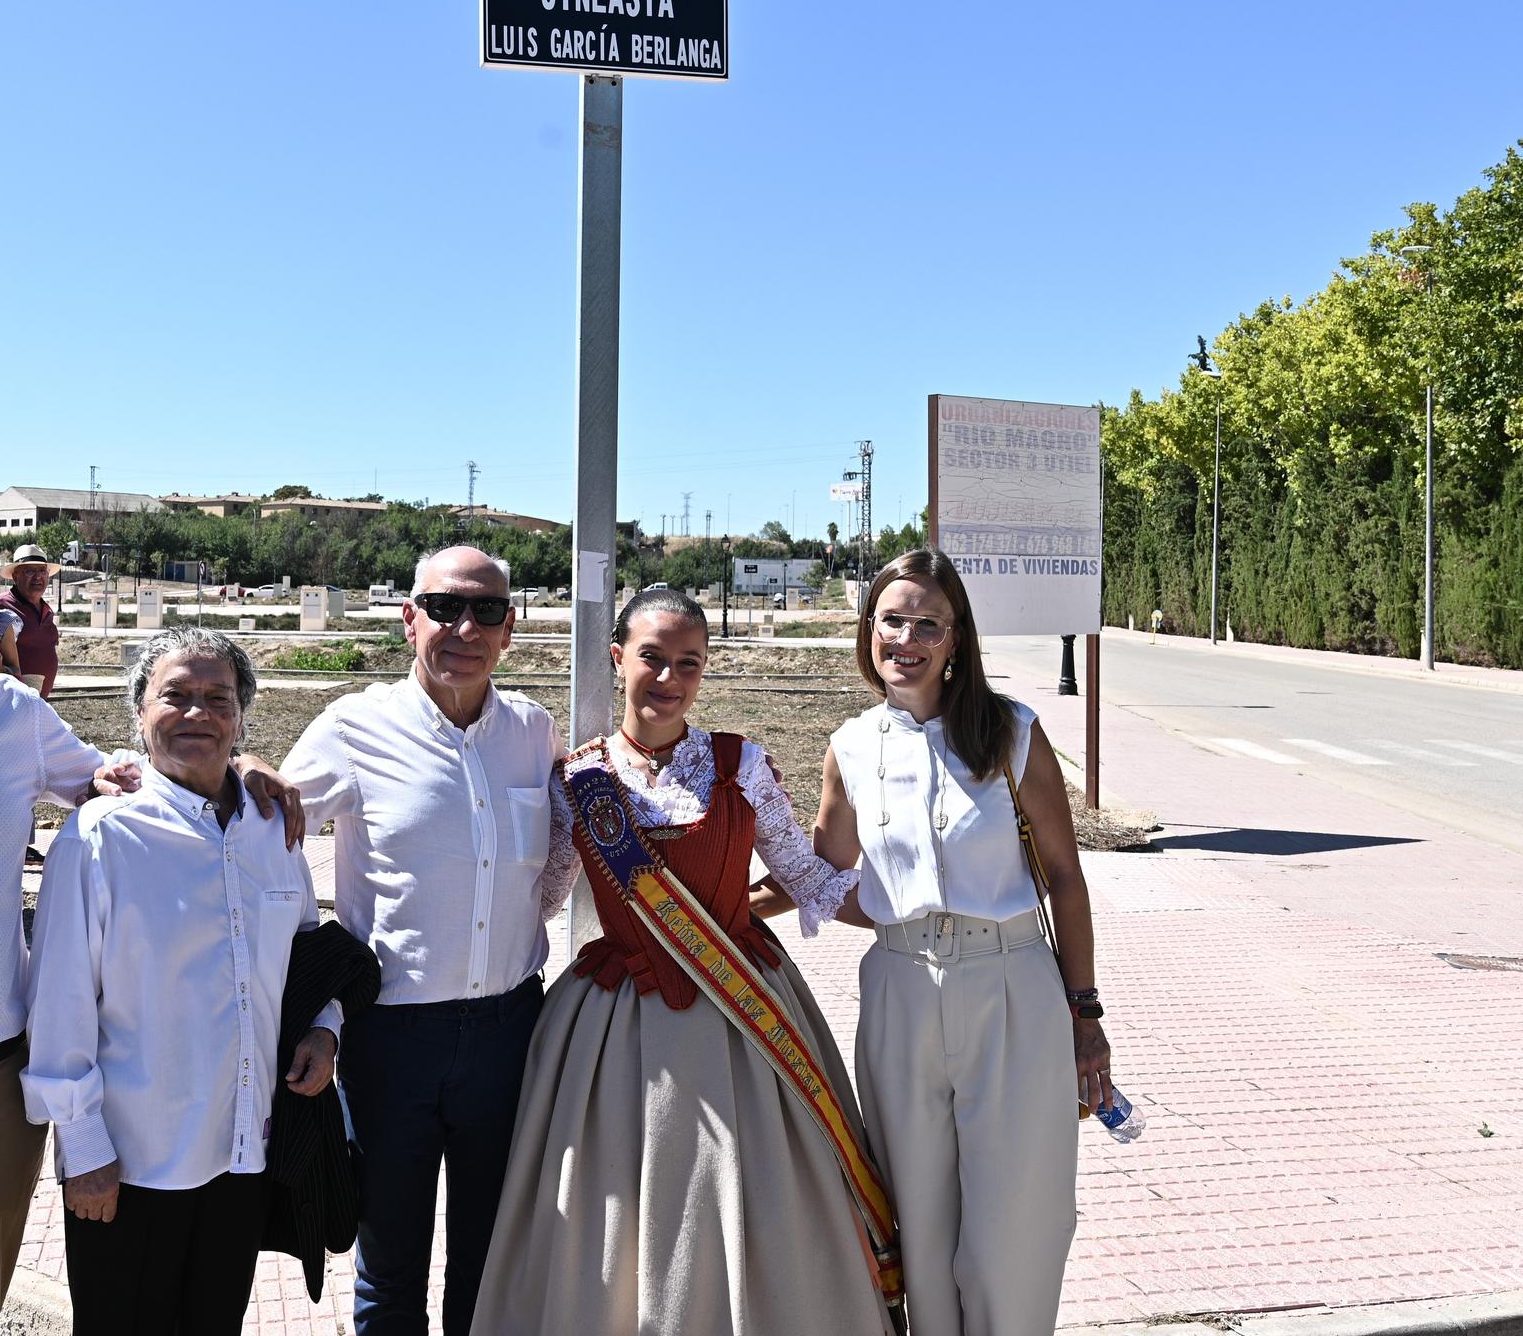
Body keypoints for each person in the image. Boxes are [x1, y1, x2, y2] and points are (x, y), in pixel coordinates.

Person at [472, 588, 900, 1336]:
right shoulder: (581, 779)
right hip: (614, 1029)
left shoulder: (741, 765)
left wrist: (929, 912)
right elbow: (539, 895)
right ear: (618, 659)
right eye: (652, 659)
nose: (668, 678)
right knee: (613, 1211)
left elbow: (809, 877)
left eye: (688, 664)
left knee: (746, 1194)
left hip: (743, 1019)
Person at [783, 548, 1109, 1336]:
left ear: (956, 638)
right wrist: (714, 897)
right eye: (891, 619)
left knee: (1015, 1234)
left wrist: (1086, 1014)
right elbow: (828, 877)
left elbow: (1065, 876)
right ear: (868, 631)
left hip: (1012, 988)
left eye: (928, 623)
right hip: (898, 991)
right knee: (918, 1234)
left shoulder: (1010, 734)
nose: (907, 637)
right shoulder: (850, 747)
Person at [24, 627, 351, 1335]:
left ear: (240, 717)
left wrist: (325, 1029)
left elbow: (306, 955)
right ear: (139, 713)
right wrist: (82, 1152)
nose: (197, 712)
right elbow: (59, 1004)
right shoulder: (98, 838)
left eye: (217, 698)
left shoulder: (274, 827)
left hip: (241, 1153)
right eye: (176, 695)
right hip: (129, 1165)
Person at [281, 546, 559, 1335]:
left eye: (486, 611)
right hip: (391, 1041)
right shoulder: (352, 727)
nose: (464, 627)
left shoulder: (533, 733)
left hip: (510, 1035)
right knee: (391, 1271)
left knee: (490, 1259)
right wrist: (321, 994)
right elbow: (266, 838)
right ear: (410, 619)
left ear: (510, 630)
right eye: (444, 607)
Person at [0, 544, 60, 694]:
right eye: (30, 571)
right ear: (15, 576)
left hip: (39, 701)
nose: (38, 577)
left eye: (42, 571)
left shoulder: (46, 609)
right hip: (11, 703)